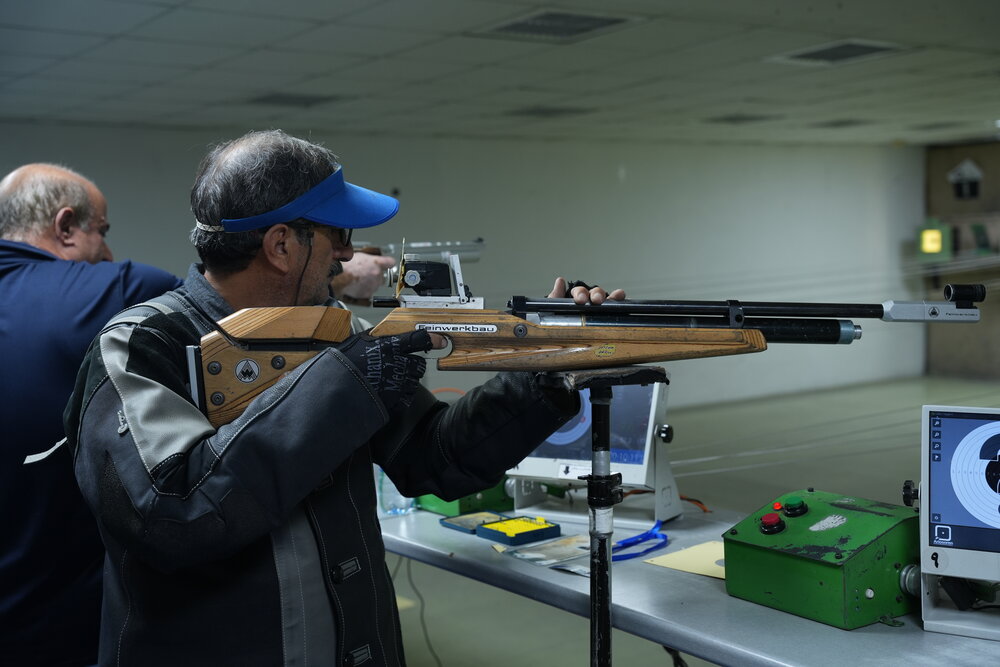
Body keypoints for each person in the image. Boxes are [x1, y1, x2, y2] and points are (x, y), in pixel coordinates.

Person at [64, 129, 620, 667]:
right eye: (339, 234)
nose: (349, 254)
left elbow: (436, 459)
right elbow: (171, 516)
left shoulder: (336, 333)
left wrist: (545, 373)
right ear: (282, 245)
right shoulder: (138, 346)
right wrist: (344, 384)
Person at [0, 164, 181, 666]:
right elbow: (236, 304)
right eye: (101, 231)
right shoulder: (113, 289)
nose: (107, 252)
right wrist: (340, 273)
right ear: (65, 226)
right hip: (58, 633)